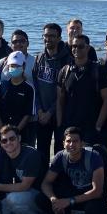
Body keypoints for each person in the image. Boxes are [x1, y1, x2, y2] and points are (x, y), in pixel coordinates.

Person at [37, 126, 107, 214]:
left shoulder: (94, 156)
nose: (71, 144)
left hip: (91, 195)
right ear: (63, 143)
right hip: (73, 191)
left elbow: (97, 191)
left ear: (82, 143)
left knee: (95, 206)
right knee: (41, 199)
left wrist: (68, 201)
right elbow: (46, 183)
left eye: (75, 141)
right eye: (68, 141)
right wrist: (54, 200)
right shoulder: (60, 156)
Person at [57, 35, 107, 146]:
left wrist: (98, 126)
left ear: (88, 48)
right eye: (74, 46)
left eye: (80, 46)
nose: (76, 49)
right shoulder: (65, 71)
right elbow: (60, 100)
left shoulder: (98, 70)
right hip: (69, 127)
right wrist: (60, 125)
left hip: (91, 128)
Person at [35, 22, 71, 161]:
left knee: (59, 151)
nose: (48, 39)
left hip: (59, 114)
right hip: (41, 113)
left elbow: (64, 92)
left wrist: (50, 112)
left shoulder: (67, 60)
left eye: (52, 36)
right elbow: (36, 87)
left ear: (59, 38)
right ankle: (41, 180)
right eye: (45, 35)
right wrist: (39, 110)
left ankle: (57, 181)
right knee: (42, 151)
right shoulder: (39, 58)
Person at [0, 52, 36, 145]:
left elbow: (28, 114)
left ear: (23, 66)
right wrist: (2, 130)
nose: (14, 68)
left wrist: (15, 132)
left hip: (21, 132)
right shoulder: (2, 85)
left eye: (17, 65)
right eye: (12, 65)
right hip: (3, 132)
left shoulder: (29, 88)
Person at [0, 30, 37, 106]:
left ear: (28, 43)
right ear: (11, 45)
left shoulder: (35, 62)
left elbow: (39, 90)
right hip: (3, 109)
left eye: (22, 41)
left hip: (28, 109)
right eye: (15, 42)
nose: (18, 44)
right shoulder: (1, 63)